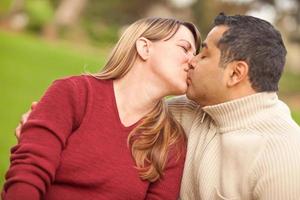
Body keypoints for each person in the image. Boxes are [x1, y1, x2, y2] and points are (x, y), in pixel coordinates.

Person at [1, 17, 201, 200]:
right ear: (144, 47)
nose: (193, 61)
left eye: (196, 54)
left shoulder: (171, 142)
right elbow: (27, 175)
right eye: (185, 48)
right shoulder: (74, 93)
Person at [168, 13, 300, 199]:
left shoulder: (283, 155)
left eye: (204, 55)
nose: (192, 61)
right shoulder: (187, 109)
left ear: (235, 73)